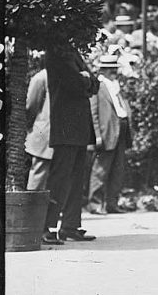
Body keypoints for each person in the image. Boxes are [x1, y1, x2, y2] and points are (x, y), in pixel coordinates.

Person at [43, 46, 101, 244]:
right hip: (66, 127)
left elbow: (95, 84)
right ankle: (48, 227)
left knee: (76, 179)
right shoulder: (58, 52)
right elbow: (76, 83)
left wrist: (87, 78)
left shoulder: (71, 51)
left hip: (77, 128)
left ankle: (70, 226)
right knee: (60, 179)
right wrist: (86, 78)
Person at [87, 55, 133, 215]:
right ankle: (95, 204)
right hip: (107, 132)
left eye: (115, 68)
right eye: (110, 68)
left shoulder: (115, 85)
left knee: (118, 169)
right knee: (100, 169)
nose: (114, 71)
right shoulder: (98, 86)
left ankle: (112, 204)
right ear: (104, 70)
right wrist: (97, 135)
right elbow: (93, 112)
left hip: (120, 129)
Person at [25, 65, 53, 191]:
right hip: (44, 133)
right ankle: (32, 208)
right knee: (39, 173)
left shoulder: (65, 75)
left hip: (59, 134)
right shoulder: (41, 77)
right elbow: (31, 106)